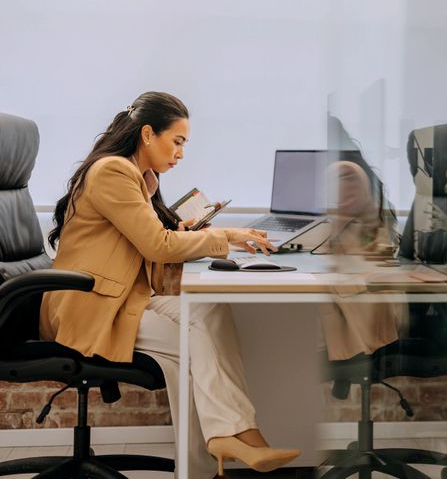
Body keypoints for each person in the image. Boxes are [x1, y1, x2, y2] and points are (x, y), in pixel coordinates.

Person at [40, 92, 300, 478]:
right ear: (148, 134)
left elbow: (143, 245)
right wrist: (225, 236)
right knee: (191, 347)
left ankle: (238, 435)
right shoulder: (112, 171)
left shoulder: (140, 177)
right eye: (177, 141)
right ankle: (214, 455)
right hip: (91, 306)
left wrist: (189, 235)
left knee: (209, 312)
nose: (180, 153)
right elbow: (156, 246)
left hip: (124, 298)